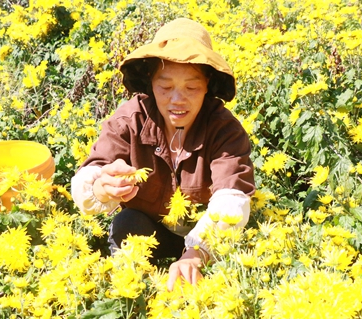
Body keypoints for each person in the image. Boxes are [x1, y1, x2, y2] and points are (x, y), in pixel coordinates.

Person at [71, 18, 255, 291]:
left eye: (191, 87)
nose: (177, 100)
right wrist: (101, 186)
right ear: (150, 83)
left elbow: (232, 200)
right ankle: (132, 293)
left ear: (208, 86)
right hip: (149, 229)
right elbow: (91, 173)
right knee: (126, 223)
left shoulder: (223, 129)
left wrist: (196, 254)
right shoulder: (130, 119)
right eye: (165, 87)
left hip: (202, 229)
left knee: (233, 252)